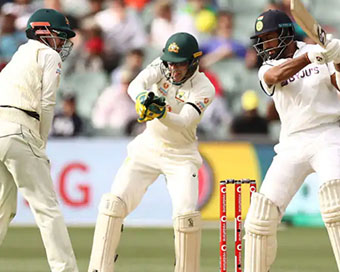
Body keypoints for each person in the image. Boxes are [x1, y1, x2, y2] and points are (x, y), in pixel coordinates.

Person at [88, 32, 215, 272]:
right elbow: (135, 84)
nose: (174, 69)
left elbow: (185, 121)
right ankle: (98, 268)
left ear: (194, 62)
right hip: (148, 147)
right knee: (112, 205)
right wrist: (142, 98)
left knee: (186, 217)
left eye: (180, 64)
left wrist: (160, 112)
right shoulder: (161, 65)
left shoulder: (204, 87)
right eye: (171, 63)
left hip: (181, 156)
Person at [244, 9, 340, 272]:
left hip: (328, 134)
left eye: (269, 38)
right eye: (261, 39)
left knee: (336, 202)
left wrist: (338, 59)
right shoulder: (269, 66)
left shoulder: (319, 53)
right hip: (291, 142)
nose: (264, 45)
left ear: (285, 34)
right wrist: (310, 57)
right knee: (260, 217)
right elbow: (275, 77)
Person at [0, 8, 79, 272]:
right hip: (20, 130)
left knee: (2, 207)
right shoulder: (48, 55)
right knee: (47, 208)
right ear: (45, 32)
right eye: (60, 36)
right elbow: (47, 103)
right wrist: (41, 140)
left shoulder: (18, 56)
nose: (63, 43)